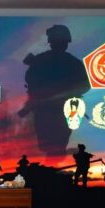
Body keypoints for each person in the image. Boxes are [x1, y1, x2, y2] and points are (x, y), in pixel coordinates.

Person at [20, 24, 89, 159]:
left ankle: (52, 165)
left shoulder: (41, 60)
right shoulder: (74, 63)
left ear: (51, 42)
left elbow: (30, 81)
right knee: (55, 145)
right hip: (58, 109)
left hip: (51, 109)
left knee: (51, 146)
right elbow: (85, 86)